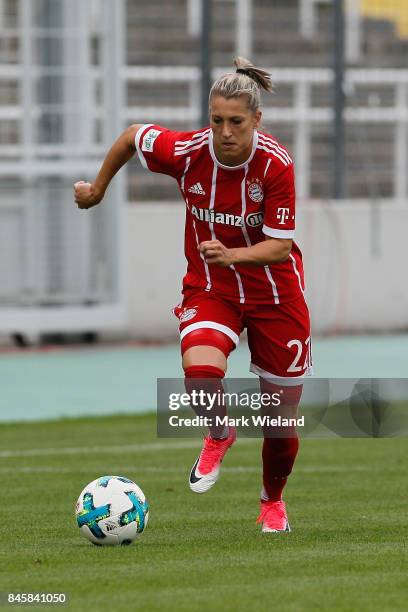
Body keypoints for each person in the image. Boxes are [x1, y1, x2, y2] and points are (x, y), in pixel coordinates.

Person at [74, 57, 312, 533]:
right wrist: (98, 189)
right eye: (217, 120)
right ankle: (219, 432)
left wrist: (232, 255)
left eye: (237, 123)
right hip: (212, 288)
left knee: (282, 426)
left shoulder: (276, 165)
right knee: (199, 370)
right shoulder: (187, 151)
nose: (225, 132)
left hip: (275, 297)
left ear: (257, 121)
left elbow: (280, 245)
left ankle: (272, 502)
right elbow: (130, 137)